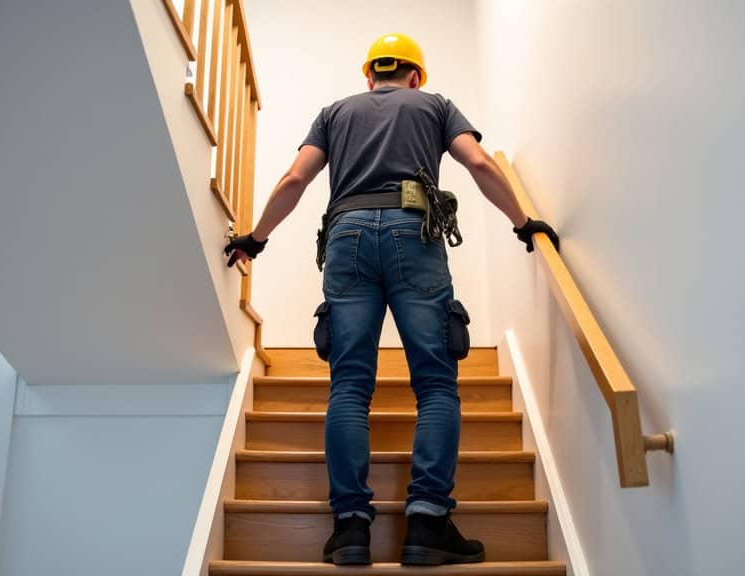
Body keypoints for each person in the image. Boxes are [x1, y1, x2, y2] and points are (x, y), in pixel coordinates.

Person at [224, 33, 559, 567]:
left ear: (369, 76)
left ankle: (351, 528)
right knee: (434, 383)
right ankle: (426, 522)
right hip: (414, 232)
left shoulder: (334, 113)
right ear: (416, 75)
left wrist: (255, 239)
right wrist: (525, 223)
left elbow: (294, 179)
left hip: (346, 235)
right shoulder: (436, 106)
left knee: (350, 385)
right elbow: (480, 165)